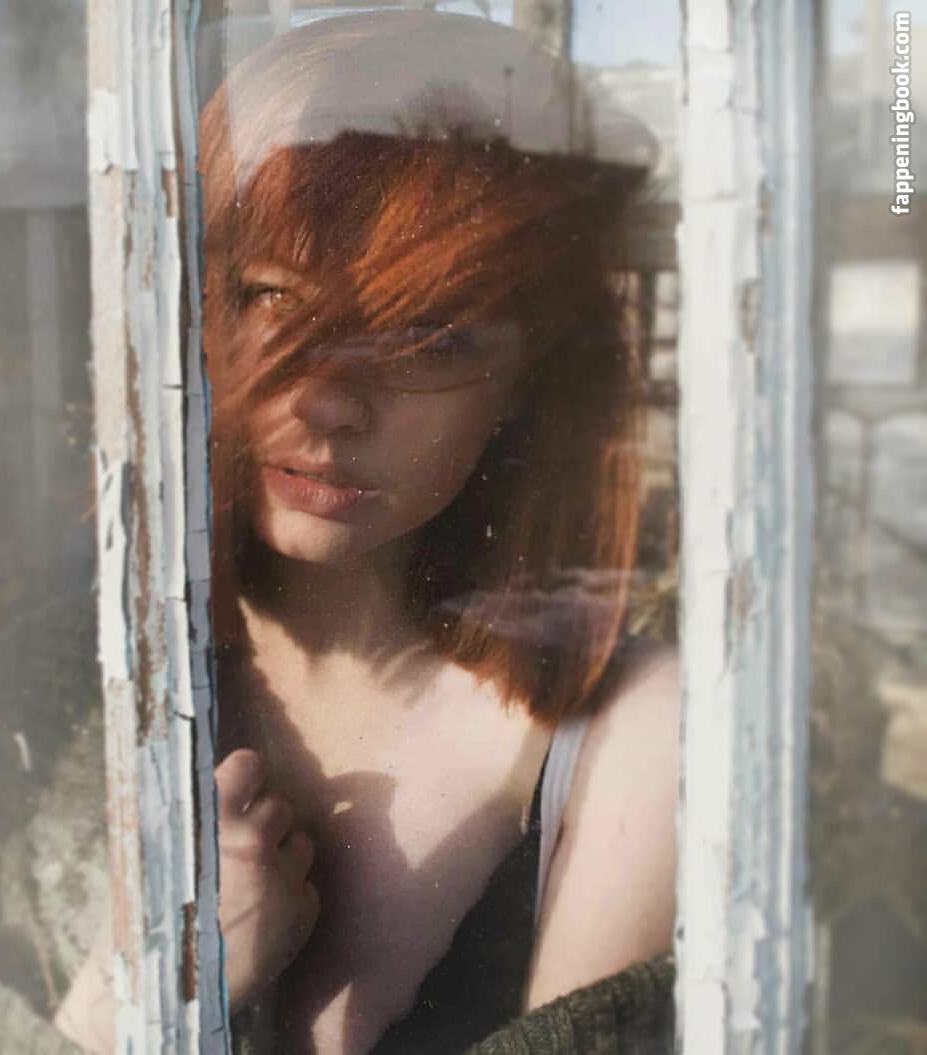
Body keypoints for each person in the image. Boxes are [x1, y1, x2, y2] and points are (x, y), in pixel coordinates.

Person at [195, 11, 681, 1055]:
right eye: (273, 297)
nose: (327, 401)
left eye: (428, 337)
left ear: (526, 383)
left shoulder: (633, 733)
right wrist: (147, 991)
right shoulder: (89, 678)